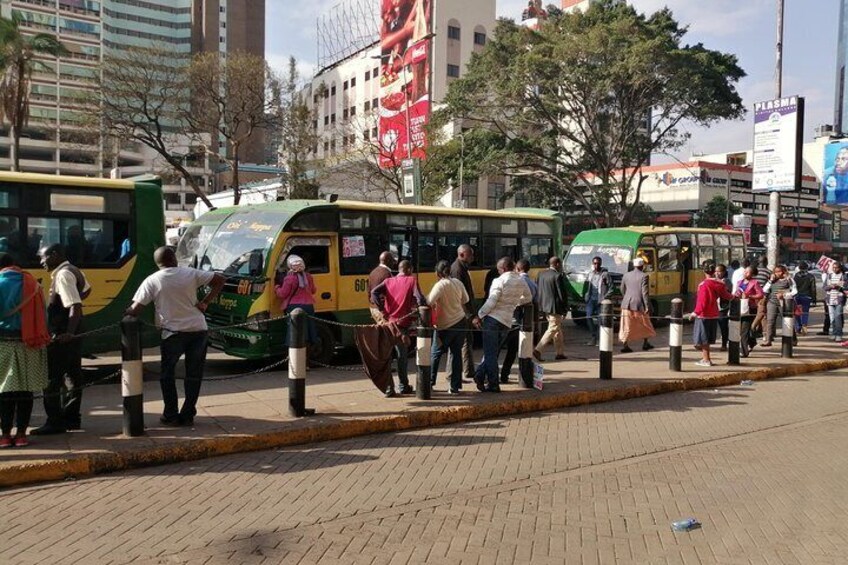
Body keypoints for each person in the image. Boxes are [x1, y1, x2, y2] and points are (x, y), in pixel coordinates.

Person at [125, 246, 225, 427]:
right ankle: (188, 414)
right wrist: (205, 302)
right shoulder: (191, 273)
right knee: (193, 374)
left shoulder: (153, 280)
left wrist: (126, 313)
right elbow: (219, 280)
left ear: (158, 263)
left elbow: (136, 309)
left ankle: (170, 414)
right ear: (174, 259)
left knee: (167, 374)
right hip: (198, 329)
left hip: (172, 334)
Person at [31, 244, 91, 435]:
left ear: (55, 255)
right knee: (73, 376)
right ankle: (72, 418)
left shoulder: (63, 275)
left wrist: (68, 332)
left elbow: (75, 305)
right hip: (73, 332)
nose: (41, 262)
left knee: (51, 380)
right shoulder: (72, 269)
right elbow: (87, 290)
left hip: (63, 334)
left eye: (43, 257)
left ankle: (55, 421)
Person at [0, 253, 50, 447]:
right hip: (30, 343)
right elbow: (43, 316)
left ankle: (4, 435)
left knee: (4, 391)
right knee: (26, 391)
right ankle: (21, 434)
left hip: (3, 344)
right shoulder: (33, 285)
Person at [472, 257, 531, 393]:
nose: (498, 272)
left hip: (493, 319)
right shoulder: (521, 280)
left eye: (499, 269)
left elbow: (492, 301)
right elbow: (528, 298)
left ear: (503, 269)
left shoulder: (499, 280)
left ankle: (493, 384)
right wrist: (514, 303)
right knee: (493, 351)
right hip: (507, 321)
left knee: (490, 353)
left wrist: (479, 315)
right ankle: (479, 375)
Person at [370, 260, 426, 397]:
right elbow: (419, 298)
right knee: (402, 357)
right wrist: (421, 308)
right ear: (408, 269)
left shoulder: (389, 281)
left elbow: (374, 293)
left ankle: (389, 388)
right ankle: (403, 385)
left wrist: (383, 310)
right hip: (402, 325)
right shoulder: (411, 280)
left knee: (388, 356)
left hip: (389, 323)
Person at [428, 260, 470, 394]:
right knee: (456, 353)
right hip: (460, 321)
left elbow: (429, 301)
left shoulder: (440, 285)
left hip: (444, 326)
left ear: (437, 273)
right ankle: (454, 386)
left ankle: (429, 382)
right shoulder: (458, 283)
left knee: (435, 354)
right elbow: (466, 299)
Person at [499, 259, 538, 382]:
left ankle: (487, 374)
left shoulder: (515, 281)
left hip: (507, 319)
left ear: (517, 268)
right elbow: (533, 302)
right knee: (512, 351)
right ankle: (505, 375)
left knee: (495, 349)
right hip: (522, 323)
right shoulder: (532, 283)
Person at [690, 262, 735, 367]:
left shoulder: (704, 284)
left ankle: (706, 359)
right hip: (714, 313)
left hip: (703, 314)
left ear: (704, 271)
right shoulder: (719, 284)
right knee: (707, 338)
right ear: (714, 271)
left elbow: (702, 301)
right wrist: (734, 297)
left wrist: (695, 313)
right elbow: (726, 295)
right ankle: (706, 358)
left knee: (702, 338)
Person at [275, 254, 318, 347]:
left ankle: (293, 349)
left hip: (294, 307)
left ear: (290, 266)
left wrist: (277, 287)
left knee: (294, 330)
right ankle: (311, 344)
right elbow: (313, 290)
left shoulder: (289, 278)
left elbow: (282, 294)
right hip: (309, 306)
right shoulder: (309, 276)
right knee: (310, 328)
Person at [533, 256, 568, 362]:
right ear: (557, 264)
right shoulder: (557, 276)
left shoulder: (541, 274)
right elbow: (562, 295)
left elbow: (538, 289)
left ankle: (559, 353)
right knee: (553, 328)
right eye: (560, 264)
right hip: (555, 308)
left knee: (557, 328)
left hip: (544, 306)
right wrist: (565, 308)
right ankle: (538, 350)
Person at [450, 244, 476, 382]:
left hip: (464, 311)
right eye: (470, 254)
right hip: (462, 312)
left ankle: (468, 370)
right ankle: (466, 371)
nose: (472, 257)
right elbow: (460, 295)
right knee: (462, 342)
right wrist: (468, 314)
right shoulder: (457, 269)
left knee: (467, 341)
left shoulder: (462, 267)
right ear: (462, 255)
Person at [618, 258, 655, 353]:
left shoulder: (626, 275)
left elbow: (622, 289)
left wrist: (626, 297)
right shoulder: (644, 276)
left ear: (634, 265)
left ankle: (625, 345)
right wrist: (647, 305)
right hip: (639, 304)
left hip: (627, 303)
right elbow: (645, 292)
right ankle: (645, 343)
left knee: (626, 324)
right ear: (642, 266)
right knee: (645, 323)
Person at [761, 265, 798, 347]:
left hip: (784, 303)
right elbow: (764, 290)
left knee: (787, 321)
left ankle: (793, 339)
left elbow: (795, 291)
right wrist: (770, 281)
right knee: (770, 321)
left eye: (779, 271)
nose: (778, 273)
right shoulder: (772, 281)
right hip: (772, 302)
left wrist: (785, 294)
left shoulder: (789, 280)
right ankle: (768, 340)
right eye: (776, 272)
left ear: (784, 272)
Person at [735, 265, 765, 357]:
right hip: (740, 307)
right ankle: (752, 342)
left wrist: (749, 296)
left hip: (750, 308)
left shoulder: (754, 283)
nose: (745, 273)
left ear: (752, 274)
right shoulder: (739, 282)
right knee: (742, 329)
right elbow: (736, 292)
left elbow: (760, 294)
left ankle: (744, 351)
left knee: (744, 330)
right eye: (745, 272)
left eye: (747, 272)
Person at [584, 256, 610, 347]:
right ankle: (593, 336)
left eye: (598, 263)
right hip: (591, 299)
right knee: (588, 316)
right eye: (595, 263)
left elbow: (611, 288)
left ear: (601, 264)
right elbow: (586, 286)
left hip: (600, 300)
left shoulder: (605, 274)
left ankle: (600, 339)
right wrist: (586, 296)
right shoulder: (590, 274)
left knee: (601, 320)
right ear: (592, 264)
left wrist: (605, 297)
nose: (596, 265)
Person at [367, 251, 396, 323]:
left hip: (373, 307)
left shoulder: (373, 272)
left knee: (381, 330)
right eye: (392, 261)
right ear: (388, 261)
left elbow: (368, 290)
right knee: (387, 331)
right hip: (382, 309)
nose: (394, 263)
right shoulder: (387, 274)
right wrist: (383, 310)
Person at [823, 261, 847, 342]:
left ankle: (839, 334)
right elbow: (824, 287)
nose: (834, 269)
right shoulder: (829, 275)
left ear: (840, 268)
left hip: (839, 300)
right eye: (833, 267)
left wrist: (838, 287)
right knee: (832, 318)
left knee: (838, 318)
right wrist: (830, 286)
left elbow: (846, 289)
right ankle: (833, 333)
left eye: (836, 267)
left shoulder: (844, 276)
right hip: (830, 300)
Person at [793, 261, 817, 336]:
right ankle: (804, 326)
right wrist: (814, 299)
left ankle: (798, 327)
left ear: (799, 268)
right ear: (807, 268)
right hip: (807, 297)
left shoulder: (796, 276)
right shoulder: (811, 276)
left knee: (797, 313)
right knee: (805, 313)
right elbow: (813, 288)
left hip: (797, 296)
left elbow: (793, 287)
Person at [715, 264, 733, 351]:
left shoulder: (726, 281)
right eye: (716, 271)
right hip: (714, 306)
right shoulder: (714, 281)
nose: (717, 273)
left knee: (723, 326)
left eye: (719, 271)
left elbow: (727, 293)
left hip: (723, 307)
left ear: (724, 272)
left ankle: (724, 343)